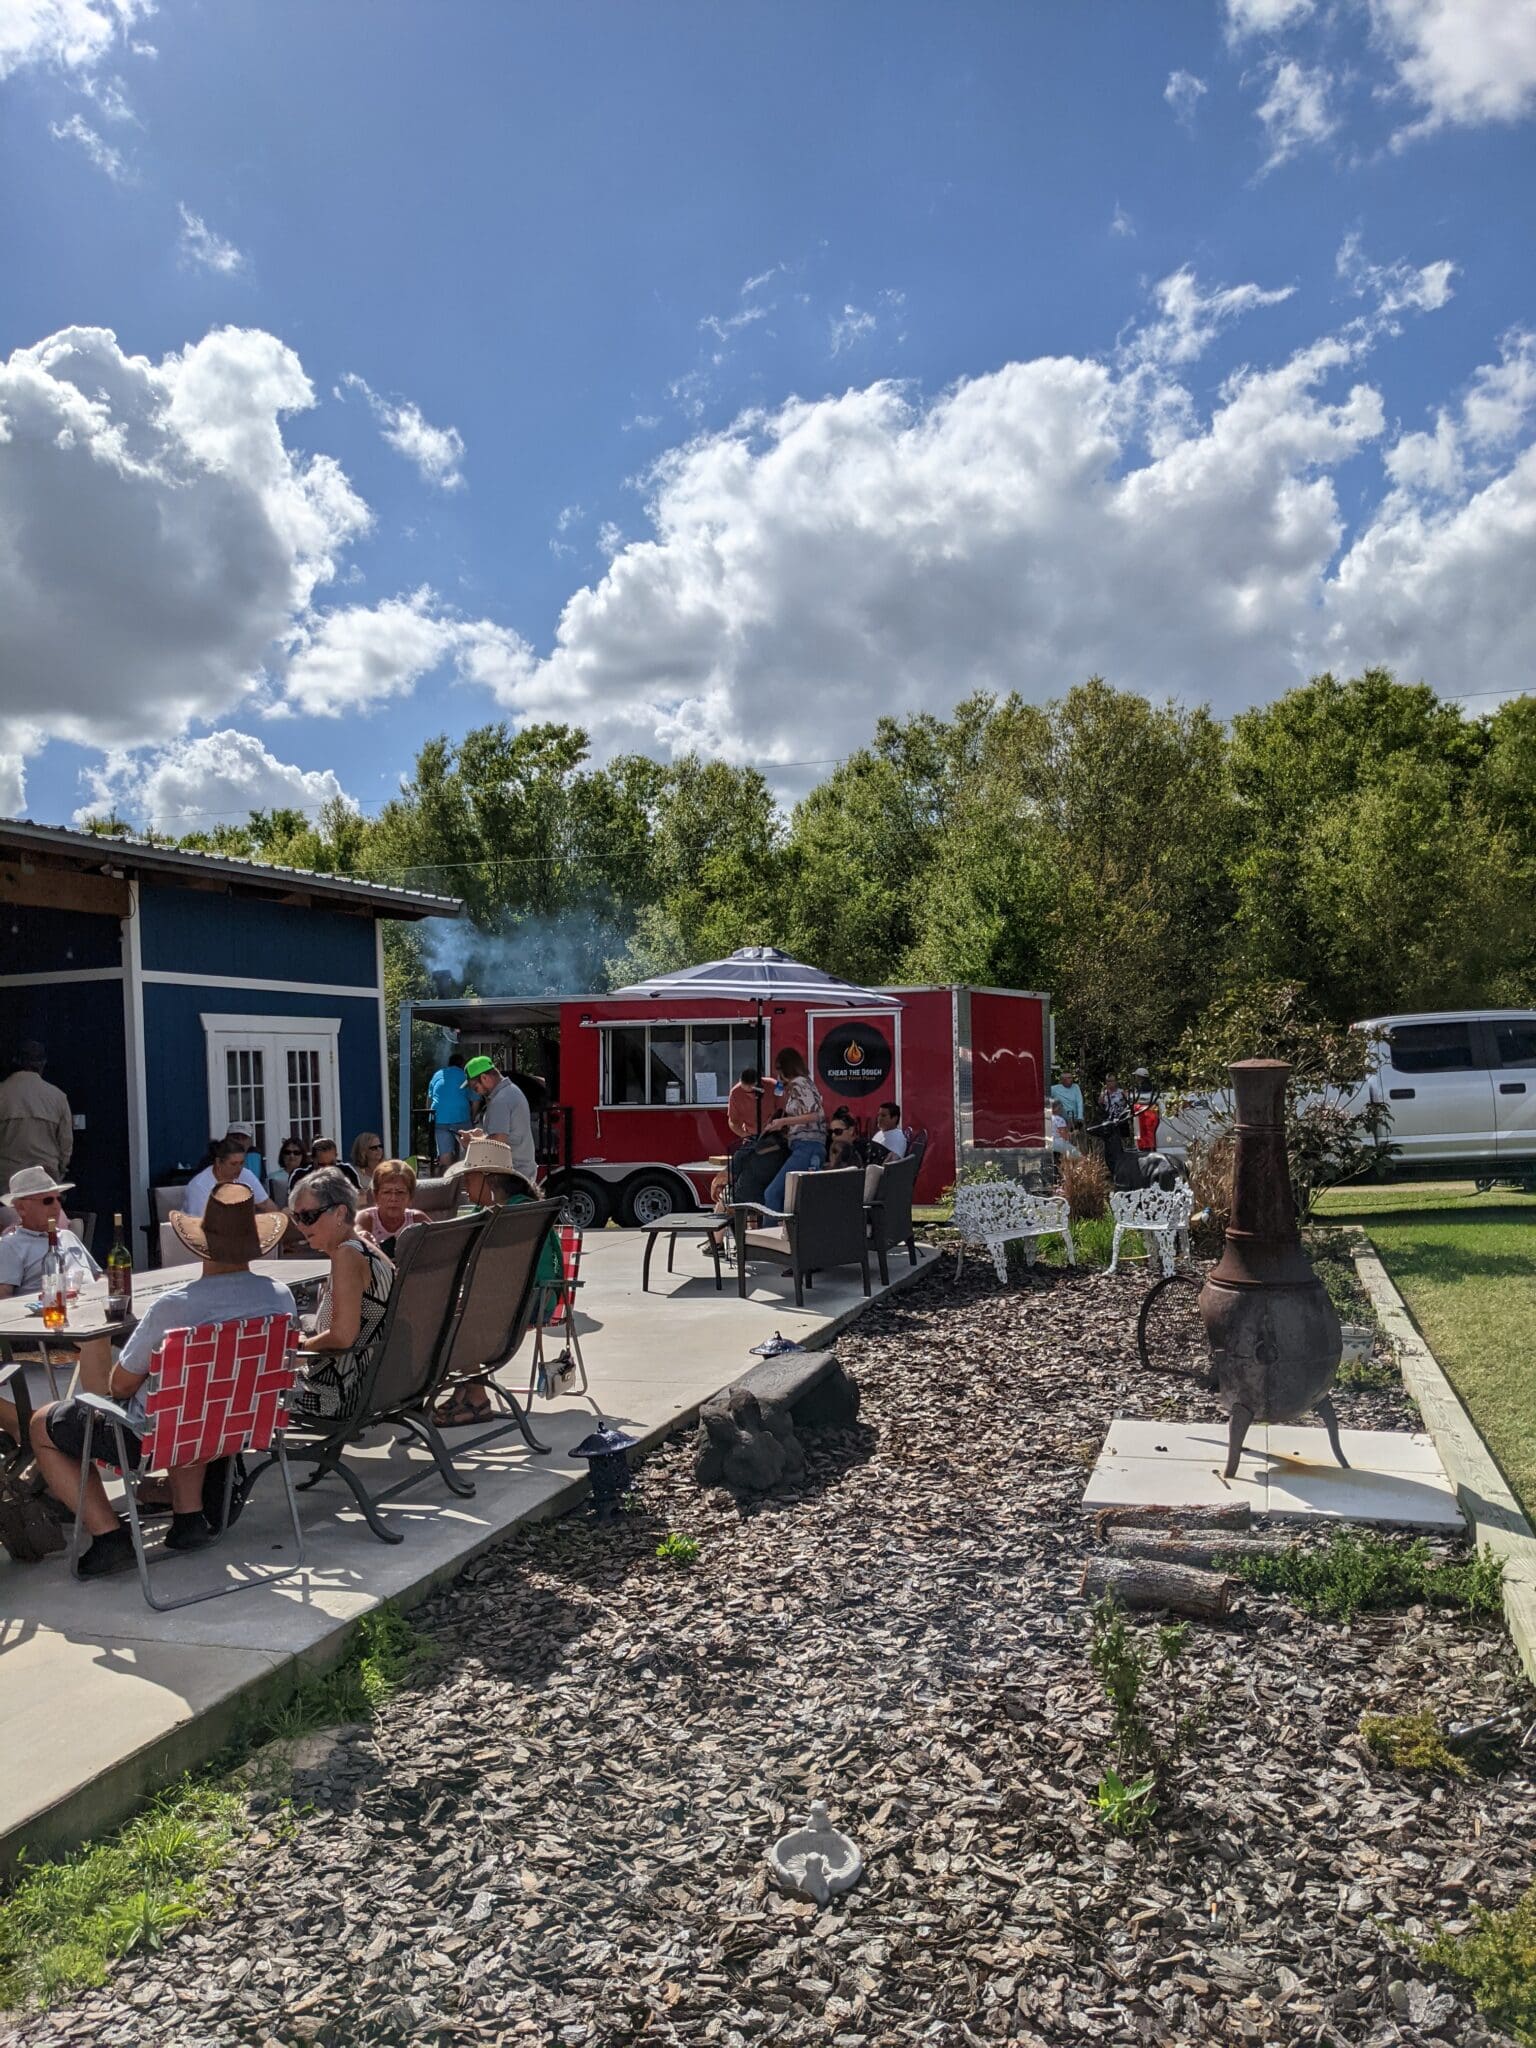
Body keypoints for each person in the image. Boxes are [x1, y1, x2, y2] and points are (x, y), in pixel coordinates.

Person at [28, 1184, 293, 1577]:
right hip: (239, 1426)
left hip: (157, 1437)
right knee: (190, 1394)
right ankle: (189, 1520)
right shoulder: (280, 1298)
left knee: (43, 1423)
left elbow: (119, 1387)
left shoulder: (175, 1307)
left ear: (200, 1245)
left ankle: (108, 1536)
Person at [433, 1137, 559, 1425]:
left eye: (469, 1176)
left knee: (455, 1315)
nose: (464, 1184)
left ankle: (476, 1396)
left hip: (532, 1297)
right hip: (508, 1296)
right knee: (448, 1311)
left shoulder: (517, 1213)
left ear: (488, 1179)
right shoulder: (491, 1211)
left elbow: (504, 1271)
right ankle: (465, 1391)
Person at [0, 1167, 108, 1436]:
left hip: (94, 1317)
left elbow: (98, 1276)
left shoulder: (69, 1236)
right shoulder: (11, 1246)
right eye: (48, 1200)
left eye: (59, 1199)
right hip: (51, 1329)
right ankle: (88, 1426)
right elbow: (3, 1300)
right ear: (21, 1208)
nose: (57, 1206)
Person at [286, 1167, 394, 1422]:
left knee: (242, 1389)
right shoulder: (367, 1249)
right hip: (376, 1384)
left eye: (309, 1216)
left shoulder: (346, 1255)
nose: (301, 1226)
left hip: (339, 1394)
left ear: (340, 1213)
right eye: (296, 1217)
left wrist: (297, 1349)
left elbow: (342, 1336)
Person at [760, 1048, 827, 1215]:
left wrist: (782, 1121)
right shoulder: (806, 1083)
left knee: (772, 1194)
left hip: (806, 1146)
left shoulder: (799, 1083)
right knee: (799, 1199)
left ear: (784, 1068)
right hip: (810, 1147)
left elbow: (815, 1114)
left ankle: (769, 1237)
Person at [0, 1041, 73, 1192]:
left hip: (6, 1183)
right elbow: (66, 1144)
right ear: (42, 1063)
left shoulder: (2, 1094)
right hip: (45, 1181)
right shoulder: (58, 1097)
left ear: (15, 1061)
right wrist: (59, 1173)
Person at [464, 1057, 537, 1181]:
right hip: (521, 1172)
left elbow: (498, 1141)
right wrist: (482, 1134)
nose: (477, 1093)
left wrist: (472, 1141)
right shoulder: (511, 1091)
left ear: (484, 1078)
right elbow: (504, 1134)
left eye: (475, 1088)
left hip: (513, 1175)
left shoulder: (500, 1101)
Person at [183, 1137, 276, 1219]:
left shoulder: (245, 1174)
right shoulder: (199, 1186)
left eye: (241, 1163)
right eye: (233, 1164)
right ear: (218, 1162)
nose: (239, 1168)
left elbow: (265, 1204)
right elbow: (200, 1224)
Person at [357, 1159, 431, 1257]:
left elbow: (441, 1243)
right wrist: (360, 1238)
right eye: (387, 1192)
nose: (393, 1198)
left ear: (410, 1197)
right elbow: (352, 1242)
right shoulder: (366, 1219)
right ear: (376, 1196)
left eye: (400, 1192)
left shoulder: (417, 1219)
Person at [428, 1051, 472, 1172]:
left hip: (439, 1118)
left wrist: (430, 1118)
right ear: (462, 1065)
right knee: (469, 1148)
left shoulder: (437, 1075)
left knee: (445, 1152)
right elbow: (476, 1100)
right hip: (461, 1117)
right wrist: (473, 1116)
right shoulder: (465, 1076)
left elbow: (430, 1099)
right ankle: (465, 1176)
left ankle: (446, 1180)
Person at [291, 1136, 360, 1192]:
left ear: (336, 1156)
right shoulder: (300, 1175)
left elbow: (360, 1195)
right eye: (322, 1165)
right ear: (312, 1158)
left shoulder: (346, 1171)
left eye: (331, 1164)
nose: (328, 1169)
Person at [267, 1136, 307, 1209]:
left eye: (296, 1153)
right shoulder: (272, 1178)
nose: (291, 1156)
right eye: (287, 1152)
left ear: (302, 1155)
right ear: (282, 1155)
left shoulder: (309, 1176)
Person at [727, 1067, 762, 1140]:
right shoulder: (735, 1093)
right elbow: (733, 1120)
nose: (749, 1089)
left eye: (752, 1089)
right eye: (745, 1089)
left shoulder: (771, 1085)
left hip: (771, 1133)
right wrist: (744, 1134)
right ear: (740, 1081)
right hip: (750, 1134)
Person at [1050, 1068, 1085, 1137]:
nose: (1070, 1079)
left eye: (1071, 1077)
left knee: (1075, 1140)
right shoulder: (1054, 1089)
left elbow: (1079, 1102)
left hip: (1074, 1118)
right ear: (1062, 1079)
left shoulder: (1075, 1087)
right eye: (1068, 1078)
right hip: (1061, 1119)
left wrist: (1080, 1117)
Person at [350, 1132, 385, 1200]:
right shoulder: (353, 1174)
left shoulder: (388, 1169)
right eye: (374, 1148)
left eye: (380, 1146)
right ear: (363, 1151)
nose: (379, 1150)